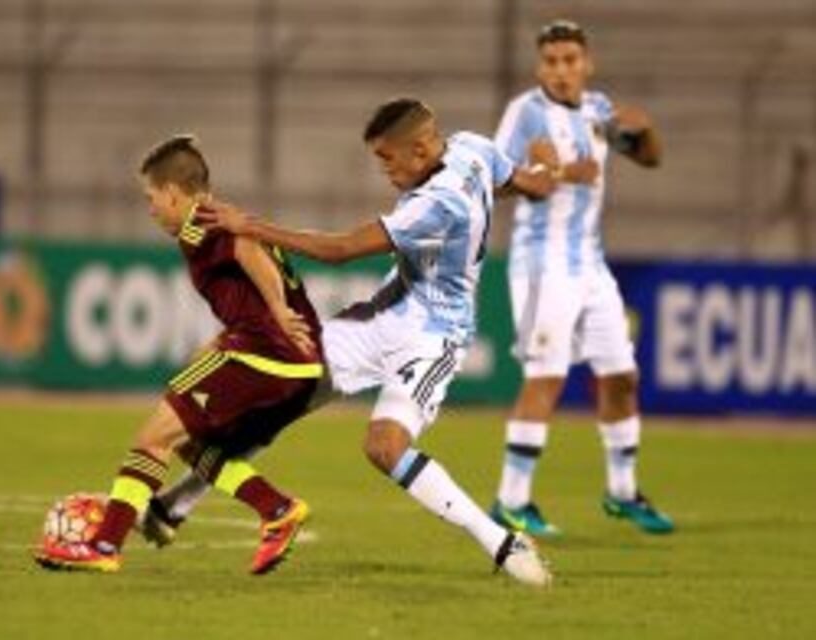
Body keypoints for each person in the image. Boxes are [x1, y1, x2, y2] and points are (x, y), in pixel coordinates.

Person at [195, 97, 557, 586]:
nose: (383, 170)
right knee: (285, 386)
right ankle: (176, 504)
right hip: (382, 316)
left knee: (384, 447)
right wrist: (544, 176)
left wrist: (251, 226)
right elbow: (515, 180)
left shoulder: (437, 203)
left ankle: (501, 542)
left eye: (388, 159)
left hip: (433, 336)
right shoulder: (472, 148)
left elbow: (339, 250)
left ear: (422, 148)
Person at [34, 135, 327, 575]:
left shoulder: (202, 223)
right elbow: (245, 263)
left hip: (267, 351)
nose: (150, 208)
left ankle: (103, 545)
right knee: (191, 443)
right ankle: (276, 508)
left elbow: (247, 245)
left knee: (152, 438)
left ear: (173, 193)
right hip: (287, 357)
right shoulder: (213, 217)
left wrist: (279, 310)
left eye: (151, 198)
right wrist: (222, 342)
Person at [489, 19, 674, 536]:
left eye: (570, 60)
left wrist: (647, 128)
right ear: (539, 66)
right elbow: (493, 179)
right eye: (551, 61)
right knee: (546, 376)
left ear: (586, 64)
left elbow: (650, 158)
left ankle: (622, 493)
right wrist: (548, 173)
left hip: (591, 266)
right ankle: (511, 500)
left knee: (621, 376)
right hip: (541, 267)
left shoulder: (598, 110)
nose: (562, 70)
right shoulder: (525, 113)